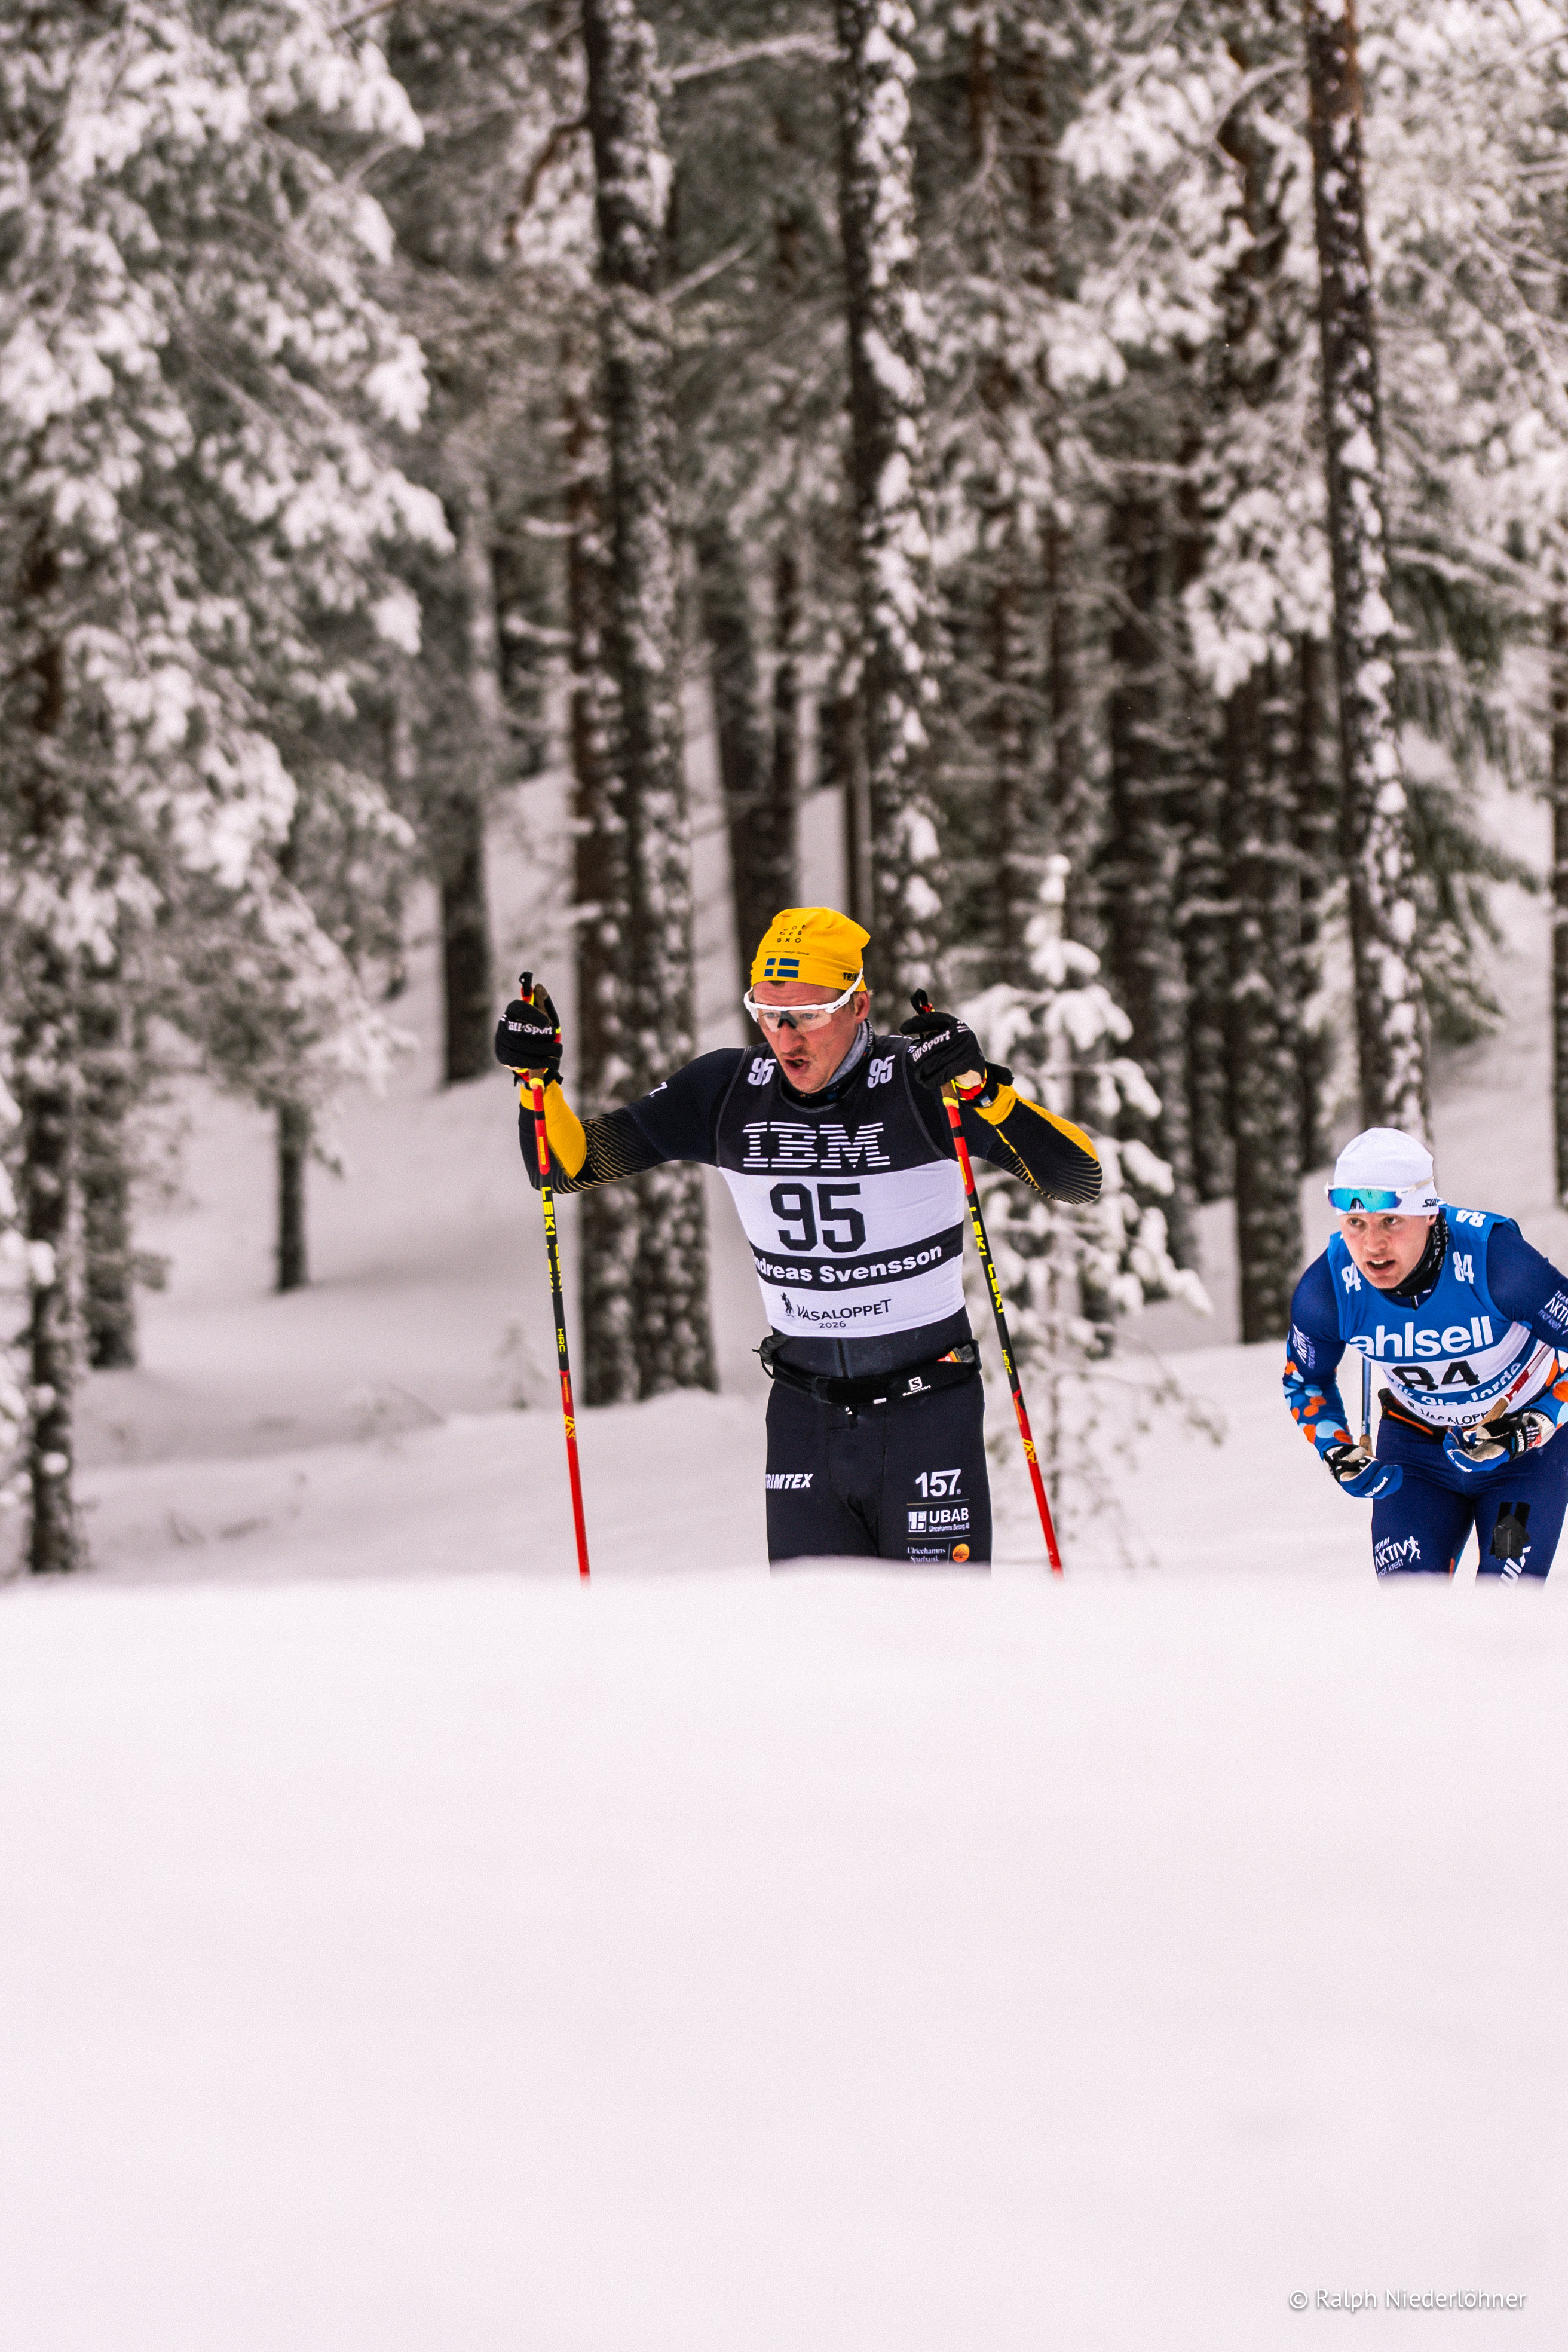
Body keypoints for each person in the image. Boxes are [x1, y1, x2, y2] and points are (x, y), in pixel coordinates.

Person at [497, 907, 1101, 1564]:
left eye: (808, 1015)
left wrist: (985, 1092)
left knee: (934, 1630)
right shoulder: (729, 1090)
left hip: (926, 1413)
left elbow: (1078, 1178)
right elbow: (566, 1167)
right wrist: (537, 1085)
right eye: (767, 1013)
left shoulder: (921, 1083)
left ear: (858, 1005)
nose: (785, 1037)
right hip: (804, 1419)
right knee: (812, 1632)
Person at [1283, 1126, 1568, 1579]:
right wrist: (1336, 1450)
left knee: (1504, 1605)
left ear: (1430, 1213)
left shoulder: (1497, 1262)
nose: (1373, 1245)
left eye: (1391, 1221)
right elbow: (1304, 1381)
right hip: (1415, 1457)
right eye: (1355, 1223)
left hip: (1520, 1459)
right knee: (1410, 1608)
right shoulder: (1328, 1290)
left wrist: (1535, 1423)